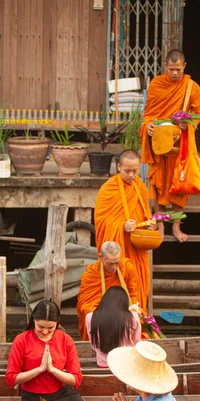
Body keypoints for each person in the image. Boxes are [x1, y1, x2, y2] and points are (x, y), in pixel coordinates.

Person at [140, 49, 200, 242]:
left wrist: (188, 123)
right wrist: (148, 126)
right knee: (159, 187)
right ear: (165, 66)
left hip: (180, 145)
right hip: (160, 143)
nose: (175, 73)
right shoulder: (156, 84)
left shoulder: (193, 88)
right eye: (171, 69)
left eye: (178, 69)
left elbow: (198, 114)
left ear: (184, 66)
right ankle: (160, 226)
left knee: (180, 186)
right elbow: (149, 114)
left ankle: (176, 226)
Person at [94, 150, 152, 311]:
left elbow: (144, 214)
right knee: (118, 289)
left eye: (135, 170)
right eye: (127, 171)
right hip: (118, 252)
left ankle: (137, 323)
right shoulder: (108, 189)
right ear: (119, 166)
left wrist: (149, 224)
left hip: (137, 251)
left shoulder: (140, 187)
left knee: (138, 289)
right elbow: (101, 221)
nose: (132, 175)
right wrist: (121, 226)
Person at [6, 300, 87, 401]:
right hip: (33, 398)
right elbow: (11, 378)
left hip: (61, 394)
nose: (45, 332)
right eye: (40, 327)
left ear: (57, 324)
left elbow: (76, 379)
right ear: (34, 320)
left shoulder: (65, 339)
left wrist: (52, 370)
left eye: (50, 328)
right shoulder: (21, 340)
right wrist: (39, 369)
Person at [77, 241, 140, 340]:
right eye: (110, 263)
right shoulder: (91, 274)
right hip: (100, 310)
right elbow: (84, 303)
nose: (114, 267)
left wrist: (132, 308)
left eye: (117, 263)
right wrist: (103, 314)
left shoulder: (127, 267)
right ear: (100, 257)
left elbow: (132, 293)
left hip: (123, 309)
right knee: (88, 313)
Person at [86, 286, 141, 368]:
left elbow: (93, 343)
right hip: (127, 366)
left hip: (103, 364)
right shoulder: (133, 316)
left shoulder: (90, 317)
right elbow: (137, 342)